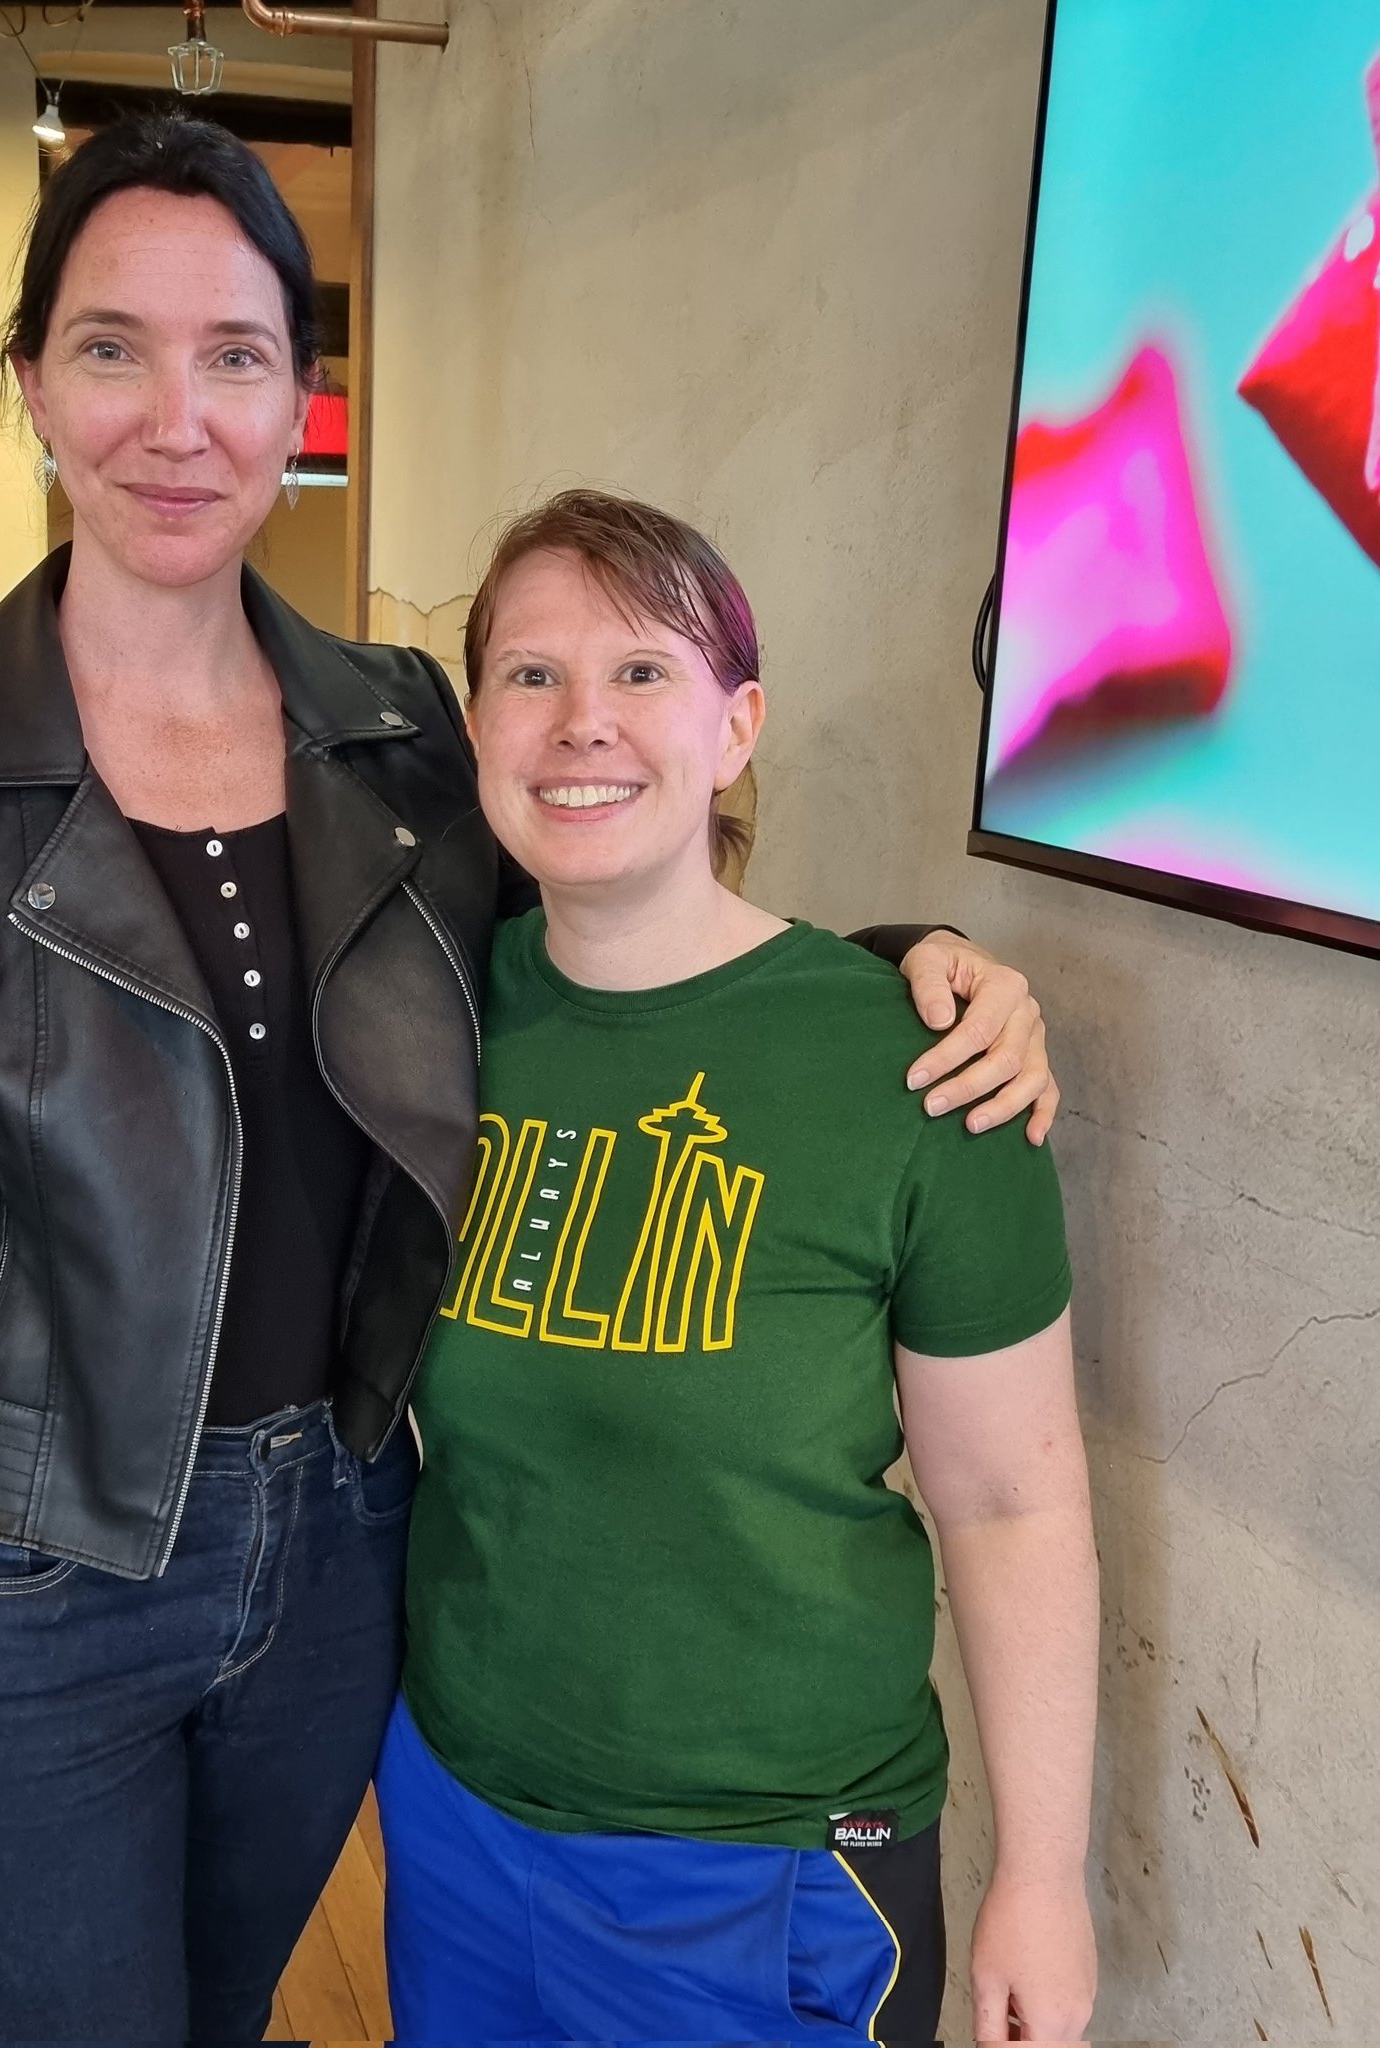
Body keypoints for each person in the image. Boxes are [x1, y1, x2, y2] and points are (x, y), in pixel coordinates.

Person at [0, 118, 1064, 2041]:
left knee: (224, 2010)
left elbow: (608, 909)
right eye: (110, 348)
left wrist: (891, 978)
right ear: (31, 381)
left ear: (300, 392)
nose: (175, 416)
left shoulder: (395, 735)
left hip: (344, 1536)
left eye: (236, 353)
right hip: (31, 1570)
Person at [378, 491, 1098, 2045]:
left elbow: (1010, 1502)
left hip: (764, 1866)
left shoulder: (922, 1070)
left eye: (643, 672)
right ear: (476, 725)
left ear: (736, 723)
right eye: (530, 676)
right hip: (454, 1815)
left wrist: (1040, 1875)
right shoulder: (421, 1011)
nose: (583, 725)